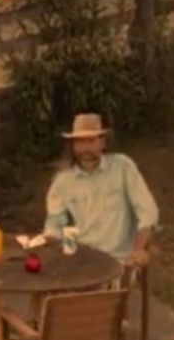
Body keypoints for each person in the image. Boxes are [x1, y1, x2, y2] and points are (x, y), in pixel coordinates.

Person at [42, 112, 160, 270]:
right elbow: (55, 222)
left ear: (102, 142)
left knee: (100, 290)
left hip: (120, 260)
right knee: (49, 285)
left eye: (91, 141)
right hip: (82, 260)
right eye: (80, 142)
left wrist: (139, 249)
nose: (85, 148)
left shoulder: (122, 167)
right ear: (73, 145)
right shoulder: (63, 181)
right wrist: (51, 239)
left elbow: (147, 212)